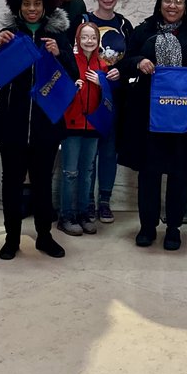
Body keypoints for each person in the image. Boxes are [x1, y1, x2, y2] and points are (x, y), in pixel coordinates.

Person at [0, 0, 77, 260]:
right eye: (26, 4)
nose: (32, 9)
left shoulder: (58, 36)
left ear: (46, 4)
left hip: (46, 126)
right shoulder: (9, 34)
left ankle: (44, 237)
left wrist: (59, 55)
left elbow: (73, 76)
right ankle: (11, 238)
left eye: (37, 3)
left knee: (42, 184)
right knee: (11, 184)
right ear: (17, 5)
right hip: (10, 125)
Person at [121, 0, 187, 251]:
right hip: (150, 116)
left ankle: (173, 228)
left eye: (178, 1)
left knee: (180, 173)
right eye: (167, 0)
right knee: (149, 173)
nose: (172, 6)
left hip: (184, 117)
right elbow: (125, 61)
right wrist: (138, 62)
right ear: (159, 3)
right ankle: (147, 226)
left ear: (186, 6)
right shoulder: (144, 30)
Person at [58, 20, 117, 237]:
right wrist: (72, 87)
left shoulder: (103, 65)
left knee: (87, 172)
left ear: (98, 41)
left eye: (93, 37)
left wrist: (103, 84)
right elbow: (59, 89)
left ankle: (84, 213)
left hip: (93, 125)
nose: (89, 41)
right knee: (70, 172)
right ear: (78, 39)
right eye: (84, 37)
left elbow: (110, 96)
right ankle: (66, 215)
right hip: (72, 124)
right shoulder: (71, 61)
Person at [82, 0, 134, 222]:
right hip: (89, 95)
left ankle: (104, 200)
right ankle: (88, 201)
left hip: (115, 96)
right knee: (90, 150)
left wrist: (120, 71)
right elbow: (75, 54)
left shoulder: (124, 24)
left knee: (109, 150)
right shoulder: (84, 21)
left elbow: (131, 58)